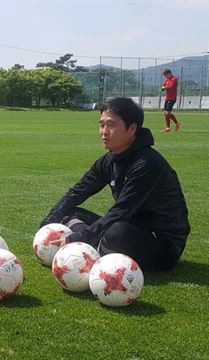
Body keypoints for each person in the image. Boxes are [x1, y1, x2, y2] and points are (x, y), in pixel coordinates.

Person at [40, 97, 190, 271]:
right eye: (102, 125)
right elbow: (79, 191)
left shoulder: (147, 164)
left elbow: (122, 211)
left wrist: (77, 238)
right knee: (69, 213)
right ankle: (93, 249)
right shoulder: (109, 160)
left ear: (132, 128)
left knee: (116, 233)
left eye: (111, 125)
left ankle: (86, 252)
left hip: (162, 244)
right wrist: (49, 222)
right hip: (130, 227)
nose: (104, 131)